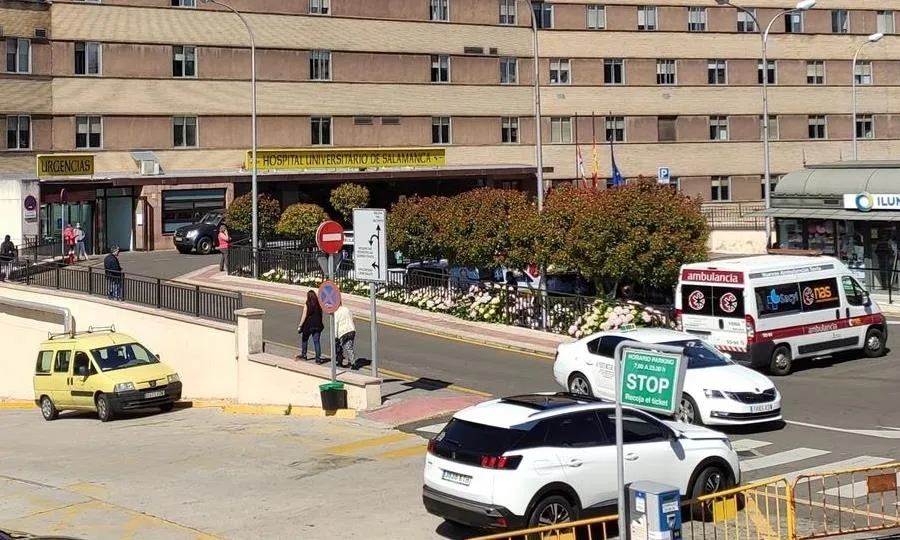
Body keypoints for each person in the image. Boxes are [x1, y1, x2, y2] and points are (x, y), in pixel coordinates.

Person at [296, 290, 324, 363]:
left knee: (305, 339)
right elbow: (321, 315)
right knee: (316, 341)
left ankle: (304, 355)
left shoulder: (307, 304)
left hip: (308, 325)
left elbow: (304, 316)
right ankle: (318, 358)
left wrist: (300, 325)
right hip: (317, 325)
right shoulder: (319, 304)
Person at [333, 304, 356, 369]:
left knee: (339, 347)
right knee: (349, 347)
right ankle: (352, 363)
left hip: (342, 332)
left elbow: (336, 323)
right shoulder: (347, 309)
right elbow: (353, 318)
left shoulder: (336, 312)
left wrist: (335, 336)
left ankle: (340, 362)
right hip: (351, 330)